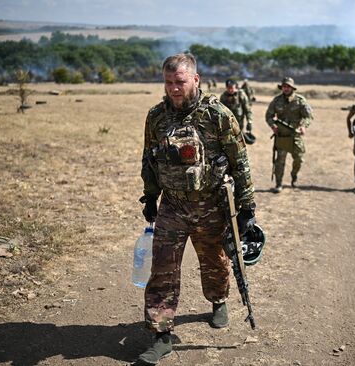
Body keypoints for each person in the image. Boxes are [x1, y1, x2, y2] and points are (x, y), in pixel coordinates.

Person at [138, 53, 257, 364]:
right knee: (162, 269)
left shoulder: (218, 115)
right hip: (172, 206)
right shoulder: (156, 117)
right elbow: (148, 158)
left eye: (180, 82)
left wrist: (247, 207)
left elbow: (240, 163)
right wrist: (150, 196)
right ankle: (161, 335)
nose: (174, 88)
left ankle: (218, 301)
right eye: (168, 82)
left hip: (211, 206)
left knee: (214, 261)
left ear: (195, 79)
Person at [265, 76, 313, 193]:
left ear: (292, 88)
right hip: (282, 136)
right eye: (284, 87)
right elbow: (269, 116)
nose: (286, 89)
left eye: (288, 87)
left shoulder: (300, 100)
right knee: (279, 162)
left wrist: (303, 126)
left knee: (299, 159)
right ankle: (279, 184)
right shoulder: (276, 101)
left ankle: (294, 175)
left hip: (295, 135)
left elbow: (308, 116)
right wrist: (273, 126)